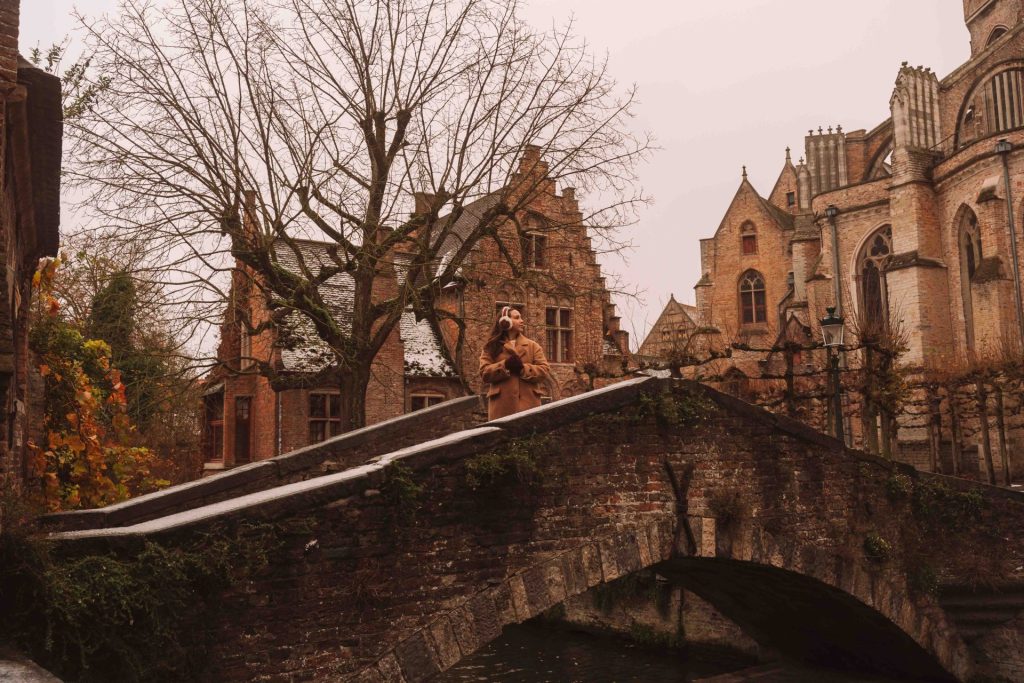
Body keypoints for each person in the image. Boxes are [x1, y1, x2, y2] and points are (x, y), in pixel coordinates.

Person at [479, 306, 551, 420]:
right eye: (517, 318)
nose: (522, 321)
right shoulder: (491, 347)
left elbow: (544, 370)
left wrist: (523, 369)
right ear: (505, 322)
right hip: (501, 408)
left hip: (529, 406)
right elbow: (484, 373)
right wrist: (504, 365)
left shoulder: (533, 346)